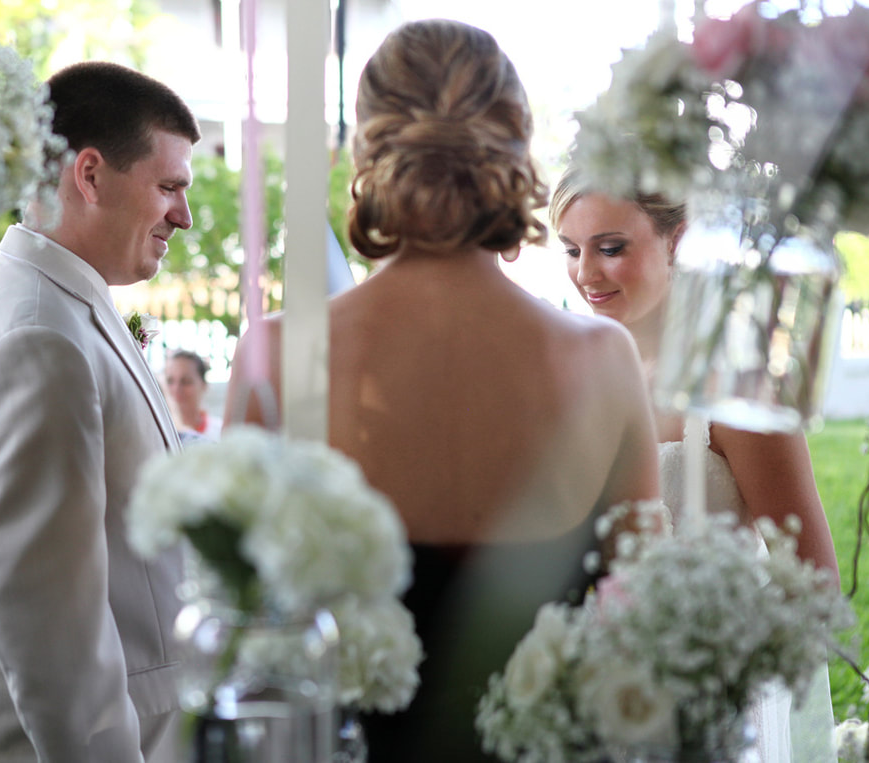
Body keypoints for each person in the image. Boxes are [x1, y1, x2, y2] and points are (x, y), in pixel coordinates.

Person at [224, 20, 660, 762]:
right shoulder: (601, 360)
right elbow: (644, 622)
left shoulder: (276, 352)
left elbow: (243, 630)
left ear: (366, 148)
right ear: (516, 145)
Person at [0, 61, 199, 763]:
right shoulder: (37, 336)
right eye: (169, 186)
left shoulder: (60, 303)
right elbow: (53, 638)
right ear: (88, 175)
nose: (184, 214)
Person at [549, 164, 841, 762]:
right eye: (572, 250)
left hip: (714, 722)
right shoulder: (577, 383)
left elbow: (816, 588)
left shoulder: (738, 394)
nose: (585, 273)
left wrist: (698, 665)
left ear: (677, 239)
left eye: (610, 248)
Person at [163, 349, 222, 440]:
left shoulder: (221, 433)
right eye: (170, 381)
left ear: (203, 385)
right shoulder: (159, 432)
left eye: (186, 382)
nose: (176, 389)